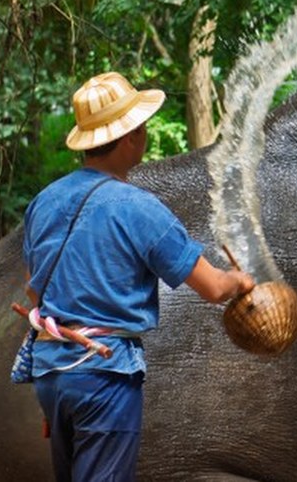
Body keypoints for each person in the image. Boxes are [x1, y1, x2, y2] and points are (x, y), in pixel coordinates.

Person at [20, 71, 253, 482]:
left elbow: (34, 290)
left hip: (51, 374)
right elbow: (214, 287)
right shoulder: (139, 208)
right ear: (130, 137)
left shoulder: (44, 202)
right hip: (103, 374)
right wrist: (243, 282)